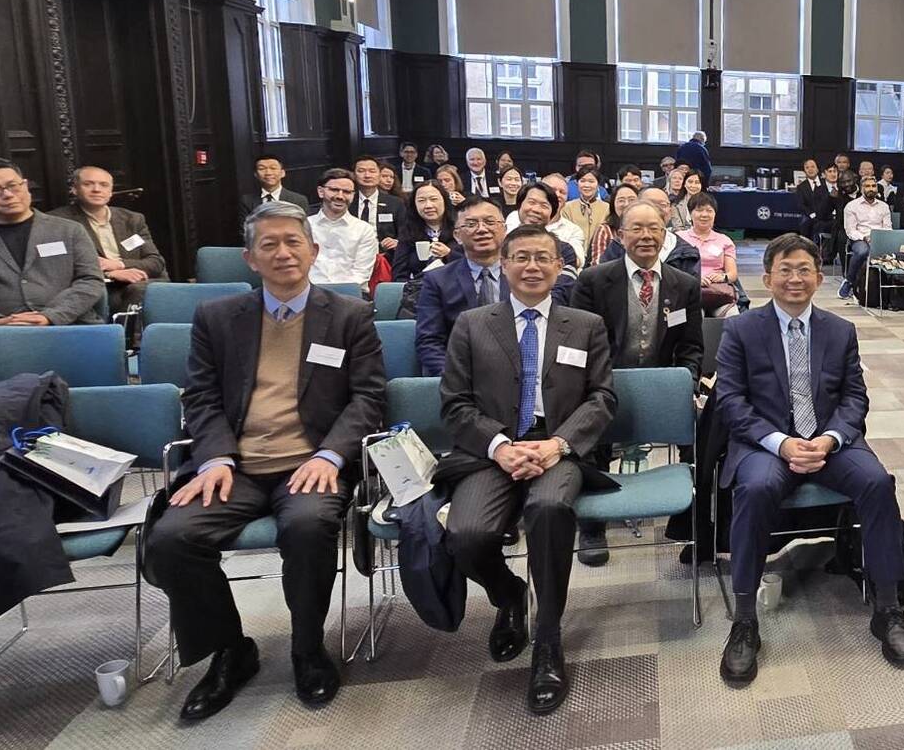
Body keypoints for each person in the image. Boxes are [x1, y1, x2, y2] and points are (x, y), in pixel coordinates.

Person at [144, 200, 385, 721]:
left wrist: (330, 455)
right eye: (269, 244)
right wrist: (215, 458)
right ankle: (230, 650)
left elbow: (368, 398)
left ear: (313, 251)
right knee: (171, 538)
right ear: (250, 258)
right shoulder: (218, 317)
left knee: (308, 527)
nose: (283, 253)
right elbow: (201, 397)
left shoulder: (349, 316)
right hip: (236, 467)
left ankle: (307, 648)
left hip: (311, 464)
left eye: (293, 242)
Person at [714, 234, 904, 687]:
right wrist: (780, 444)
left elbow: (854, 397)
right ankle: (745, 619)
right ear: (767, 278)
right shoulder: (741, 330)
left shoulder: (839, 330)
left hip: (829, 441)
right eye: (785, 270)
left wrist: (829, 439)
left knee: (877, 482)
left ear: (819, 277)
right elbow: (730, 401)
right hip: (767, 444)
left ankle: (887, 607)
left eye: (804, 269)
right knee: (755, 489)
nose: (795, 278)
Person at [437, 224, 615, 716]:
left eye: (542, 257)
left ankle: (548, 640)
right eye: (521, 257)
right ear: (504, 265)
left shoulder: (586, 324)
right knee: (467, 535)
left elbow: (602, 397)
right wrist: (499, 446)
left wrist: (558, 444)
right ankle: (510, 594)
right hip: (492, 449)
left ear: (559, 266)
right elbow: (454, 403)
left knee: (549, 509)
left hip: (559, 448)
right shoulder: (473, 324)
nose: (532, 266)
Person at [569, 201, 704, 567]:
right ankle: (592, 525)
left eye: (654, 228)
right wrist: (596, 389)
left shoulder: (684, 285)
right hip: (604, 384)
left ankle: (694, 521)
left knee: (704, 431)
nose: (646, 236)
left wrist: (684, 384)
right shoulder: (593, 281)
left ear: (665, 234)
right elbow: (580, 345)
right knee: (584, 434)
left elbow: (691, 347)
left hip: (661, 385)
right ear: (620, 234)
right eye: (637, 228)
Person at [0, 156, 104, 332]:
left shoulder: (69, 230)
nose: (8, 195)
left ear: (25, 186)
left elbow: (90, 280)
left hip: (70, 326)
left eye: (13, 185)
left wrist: (51, 316)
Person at [412, 198, 574, 376]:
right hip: (462, 373)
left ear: (504, 229)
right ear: (457, 235)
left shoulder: (526, 275)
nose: (482, 229)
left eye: (490, 222)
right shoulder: (437, 280)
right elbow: (430, 341)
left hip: (523, 372)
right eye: (471, 224)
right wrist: (455, 379)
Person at [49, 165, 167, 311]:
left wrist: (119, 264)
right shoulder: (58, 221)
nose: (96, 189)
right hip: (98, 286)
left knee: (146, 291)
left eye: (104, 185)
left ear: (111, 191)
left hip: (139, 284)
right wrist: (109, 274)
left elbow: (155, 262)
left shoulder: (132, 219)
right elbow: (57, 266)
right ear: (74, 189)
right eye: (88, 184)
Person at [305, 169, 378, 286]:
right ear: (321, 191)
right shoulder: (304, 226)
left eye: (346, 192)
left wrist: (337, 291)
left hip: (350, 293)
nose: (340, 196)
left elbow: (361, 273)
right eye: (334, 190)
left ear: (353, 195)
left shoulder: (365, 230)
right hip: (310, 292)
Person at [678, 193, 739, 317]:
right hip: (689, 291)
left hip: (718, 292)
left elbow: (732, 274)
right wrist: (694, 279)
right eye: (699, 210)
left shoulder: (724, 240)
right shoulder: (679, 238)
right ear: (690, 213)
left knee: (733, 317)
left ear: (715, 214)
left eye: (709, 211)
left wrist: (723, 277)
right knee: (695, 317)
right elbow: (672, 270)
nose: (704, 214)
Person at [389, 182, 457, 281]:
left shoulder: (460, 228)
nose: (428, 205)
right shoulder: (408, 231)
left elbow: (474, 263)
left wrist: (449, 254)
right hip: (420, 287)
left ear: (445, 201)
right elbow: (399, 273)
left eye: (433, 199)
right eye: (421, 201)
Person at [511, 182, 585, 270]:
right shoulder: (503, 244)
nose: (536, 210)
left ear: (551, 214)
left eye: (544, 206)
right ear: (519, 205)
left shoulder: (563, 251)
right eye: (531, 202)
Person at [840, 177, 891, 301]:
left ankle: (888, 290)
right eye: (867, 186)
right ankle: (849, 281)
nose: (871, 189)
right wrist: (865, 237)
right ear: (861, 188)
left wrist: (877, 237)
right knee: (863, 251)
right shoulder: (852, 206)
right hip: (859, 238)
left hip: (880, 238)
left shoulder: (884, 206)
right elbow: (850, 230)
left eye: (873, 186)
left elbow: (888, 228)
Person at [350, 157, 403, 255]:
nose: (367, 175)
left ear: (379, 175)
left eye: (372, 171)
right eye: (361, 171)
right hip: (353, 254)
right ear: (354, 175)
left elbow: (405, 232)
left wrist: (397, 242)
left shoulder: (395, 203)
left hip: (386, 256)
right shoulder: (348, 202)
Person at [587, 184, 638, 269]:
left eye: (631, 200)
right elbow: (598, 266)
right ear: (613, 205)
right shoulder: (605, 230)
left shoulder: (646, 230)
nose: (626, 204)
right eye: (621, 200)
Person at [244, 155, 310, 217]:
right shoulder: (246, 201)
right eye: (262, 169)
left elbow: (303, 224)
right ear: (256, 174)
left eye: (273, 168)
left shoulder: (298, 200)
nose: (268, 173)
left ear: (282, 173)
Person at [561, 168, 610, 248]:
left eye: (591, 181)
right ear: (577, 183)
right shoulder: (567, 207)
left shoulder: (607, 208)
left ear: (598, 184)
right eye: (582, 181)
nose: (586, 185)